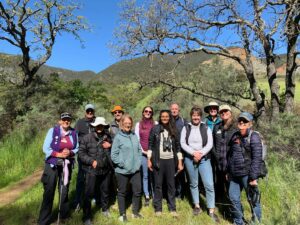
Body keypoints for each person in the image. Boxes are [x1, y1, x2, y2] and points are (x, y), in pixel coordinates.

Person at [180, 106, 220, 223]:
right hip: (189, 158)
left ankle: (211, 210)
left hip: (204, 159)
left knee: (209, 184)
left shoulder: (205, 127)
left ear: (200, 116)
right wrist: (193, 153)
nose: (196, 117)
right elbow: (183, 143)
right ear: (191, 116)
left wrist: (200, 154)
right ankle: (197, 206)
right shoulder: (186, 128)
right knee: (193, 183)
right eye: (194, 115)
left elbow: (209, 143)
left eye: (198, 115)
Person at [38, 112, 78, 225]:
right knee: (49, 191)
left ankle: (64, 216)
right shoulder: (53, 131)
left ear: (70, 121)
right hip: (52, 165)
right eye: (64, 119)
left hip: (66, 165)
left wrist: (70, 152)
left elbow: (76, 148)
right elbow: (45, 148)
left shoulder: (74, 133)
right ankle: (43, 221)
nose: (66, 121)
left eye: (68, 119)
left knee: (64, 190)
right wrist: (58, 154)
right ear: (60, 121)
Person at [227, 112, 262, 225]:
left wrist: (253, 177)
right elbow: (231, 155)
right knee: (233, 198)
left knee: (253, 200)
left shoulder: (254, 136)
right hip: (234, 174)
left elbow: (257, 159)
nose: (242, 122)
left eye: (245, 121)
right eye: (240, 120)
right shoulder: (235, 135)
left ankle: (255, 222)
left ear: (250, 124)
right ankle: (238, 222)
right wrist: (229, 171)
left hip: (248, 174)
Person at [148, 110, 184, 217]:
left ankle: (172, 208)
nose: (165, 118)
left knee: (171, 185)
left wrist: (180, 162)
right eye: (163, 116)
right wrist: (149, 159)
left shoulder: (174, 130)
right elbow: (150, 145)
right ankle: (158, 209)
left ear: (169, 118)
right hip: (158, 161)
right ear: (160, 117)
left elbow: (178, 147)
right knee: (158, 185)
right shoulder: (155, 129)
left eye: (166, 116)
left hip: (171, 161)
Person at [78, 117, 113, 225]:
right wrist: (91, 161)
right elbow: (81, 153)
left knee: (105, 191)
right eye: (97, 125)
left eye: (101, 126)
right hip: (91, 170)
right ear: (94, 126)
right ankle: (87, 217)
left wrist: (110, 145)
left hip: (105, 169)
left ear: (104, 127)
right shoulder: (87, 138)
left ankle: (105, 209)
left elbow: (115, 150)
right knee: (89, 193)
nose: (99, 127)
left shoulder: (108, 138)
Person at [111, 114, 143, 222]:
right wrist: (123, 164)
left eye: (129, 123)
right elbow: (113, 155)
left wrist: (138, 163)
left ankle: (135, 212)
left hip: (135, 170)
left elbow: (139, 150)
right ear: (121, 124)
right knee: (122, 192)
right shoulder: (118, 137)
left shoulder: (134, 135)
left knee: (137, 191)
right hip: (122, 171)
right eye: (125, 123)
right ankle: (122, 214)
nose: (128, 125)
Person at [212, 105, 237, 212]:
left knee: (231, 187)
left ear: (230, 113)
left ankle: (232, 207)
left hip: (230, 163)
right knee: (219, 184)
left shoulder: (236, 126)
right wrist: (216, 156)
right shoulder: (217, 126)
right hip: (219, 162)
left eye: (226, 111)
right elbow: (212, 143)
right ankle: (221, 205)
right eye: (221, 112)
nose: (223, 113)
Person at [73, 104, 96, 211]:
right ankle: (78, 201)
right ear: (85, 112)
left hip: (95, 154)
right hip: (83, 153)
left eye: (91, 111)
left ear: (94, 111)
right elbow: (74, 137)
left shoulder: (97, 121)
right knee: (81, 178)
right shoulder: (80, 122)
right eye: (88, 111)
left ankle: (94, 198)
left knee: (94, 177)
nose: (90, 113)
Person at [134, 106, 156, 206]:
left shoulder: (155, 124)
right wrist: (144, 151)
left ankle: (155, 194)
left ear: (152, 113)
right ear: (143, 113)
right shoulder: (138, 124)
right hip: (142, 154)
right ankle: (147, 195)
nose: (148, 113)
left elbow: (157, 140)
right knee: (145, 175)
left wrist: (151, 152)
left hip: (154, 154)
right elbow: (137, 140)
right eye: (146, 111)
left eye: (150, 112)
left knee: (154, 174)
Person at [170, 103, 188, 199]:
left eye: (176, 109)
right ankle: (172, 192)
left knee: (181, 173)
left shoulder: (183, 121)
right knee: (172, 173)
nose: (174, 110)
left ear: (179, 110)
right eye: (172, 109)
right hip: (170, 151)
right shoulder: (167, 121)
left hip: (181, 151)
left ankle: (181, 194)